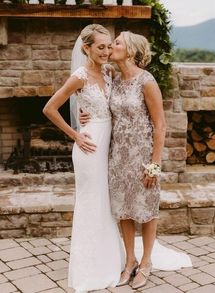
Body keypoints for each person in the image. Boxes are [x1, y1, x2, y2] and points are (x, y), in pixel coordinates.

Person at [80, 31, 192, 290]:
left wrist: (154, 164)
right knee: (123, 208)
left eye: (116, 43)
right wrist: (84, 114)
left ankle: (146, 262)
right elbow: (90, 93)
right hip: (117, 154)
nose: (110, 48)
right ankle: (129, 261)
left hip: (142, 155)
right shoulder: (112, 76)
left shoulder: (147, 81)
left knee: (146, 210)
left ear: (130, 50)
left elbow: (160, 125)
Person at [43, 24, 124, 293]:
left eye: (109, 45)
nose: (106, 51)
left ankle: (111, 259)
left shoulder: (110, 72)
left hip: (109, 146)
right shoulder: (79, 76)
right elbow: (50, 108)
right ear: (86, 48)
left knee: (106, 203)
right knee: (91, 204)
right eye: (100, 46)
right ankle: (88, 268)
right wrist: (75, 134)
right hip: (89, 147)